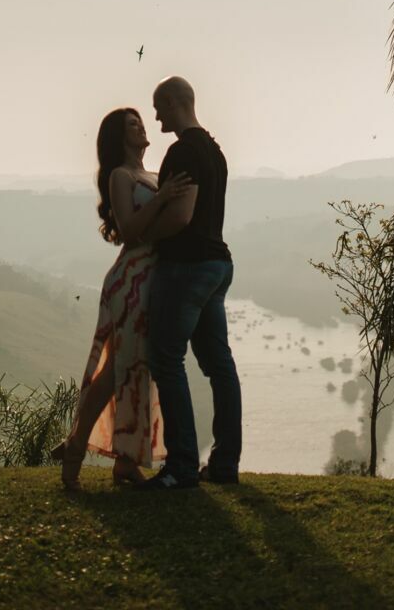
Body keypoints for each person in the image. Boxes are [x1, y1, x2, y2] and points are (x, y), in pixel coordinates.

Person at [54, 106, 192, 490]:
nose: (142, 126)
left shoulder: (151, 173)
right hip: (133, 277)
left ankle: (127, 462)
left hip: (156, 275)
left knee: (141, 367)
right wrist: (163, 196)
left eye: (141, 122)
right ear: (119, 137)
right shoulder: (121, 175)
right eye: (132, 124)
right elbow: (130, 231)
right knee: (118, 368)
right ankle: (76, 447)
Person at [145, 75, 242, 490]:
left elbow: (180, 217)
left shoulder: (182, 151)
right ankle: (223, 464)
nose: (155, 116)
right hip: (217, 264)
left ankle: (182, 465)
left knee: (166, 359)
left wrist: (145, 226)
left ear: (173, 102)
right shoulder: (214, 151)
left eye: (158, 107)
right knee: (219, 364)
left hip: (187, 266)